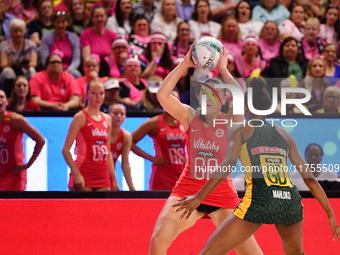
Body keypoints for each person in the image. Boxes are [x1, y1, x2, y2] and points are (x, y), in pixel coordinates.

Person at [172, 78, 340, 255]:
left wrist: (198, 198)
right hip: (288, 202)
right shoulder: (284, 134)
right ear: (268, 109)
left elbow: (226, 166)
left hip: (260, 200)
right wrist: (329, 213)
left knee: (208, 252)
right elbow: (310, 179)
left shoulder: (241, 130)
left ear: (245, 108)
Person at [149, 45, 263, 254]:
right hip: (188, 188)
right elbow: (163, 96)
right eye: (204, 94)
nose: (207, 98)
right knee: (157, 241)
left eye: (214, 95)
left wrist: (224, 69)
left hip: (222, 194)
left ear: (223, 102)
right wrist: (184, 64)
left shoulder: (230, 121)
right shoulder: (190, 116)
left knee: (254, 253)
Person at [62, 80, 120, 191]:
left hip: (102, 175)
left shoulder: (107, 119)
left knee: (103, 208)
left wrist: (114, 180)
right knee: (83, 208)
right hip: (84, 172)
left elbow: (108, 152)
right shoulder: (80, 117)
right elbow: (65, 150)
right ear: (87, 95)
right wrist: (76, 174)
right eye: (94, 93)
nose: (98, 97)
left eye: (101, 93)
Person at [132, 91, 186, 190]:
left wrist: (190, 158)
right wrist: (152, 159)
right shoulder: (155, 122)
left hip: (182, 173)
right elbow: (129, 142)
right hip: (163, 173)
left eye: (176, 101)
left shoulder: (184, 121)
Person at [0, 89, 45, 191]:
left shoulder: (15, 119)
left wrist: (28, 164)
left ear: (6, 101)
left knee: (10, 206)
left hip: (12, 175)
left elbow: (40, 140)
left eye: (2, 97)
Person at [0, 18, 37, 97]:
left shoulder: (31, 44)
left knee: (32, 70)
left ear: (24, 32)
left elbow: (33, 63)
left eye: (20, 31)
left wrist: (26, 65)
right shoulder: (4, 45)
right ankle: (9, 96)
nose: (18, 34)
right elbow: (3, 65)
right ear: (11, 32)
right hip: (11, 72)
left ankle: (32, 96)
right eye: (15, 31)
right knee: (7, 71)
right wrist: (9, 63)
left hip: (25, 70)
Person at [40, 11, 81, 78]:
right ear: (54, 23)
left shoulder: (74, 38)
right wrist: (55, 69)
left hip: (69, 70)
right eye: (58, 22)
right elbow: (45, 61)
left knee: (76, 74)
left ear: (67, 23)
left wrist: (68, 70)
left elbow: (76, 60)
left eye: (63, 22)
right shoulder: (46, 39)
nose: (60, 25)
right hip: (51, 69)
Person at [80, 6, 117, 77]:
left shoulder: (113, 35)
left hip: (109, 69)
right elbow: (86, 59)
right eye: (97, 16)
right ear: (92, 18)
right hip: (93, 69)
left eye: (102, 16)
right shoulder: (85, 34)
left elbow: (114, 58)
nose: (99, 19)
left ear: (106, 17)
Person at [109, 103, 135, 190]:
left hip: (109, 177)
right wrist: (115, 181)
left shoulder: (126, 136)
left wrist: (132, 189)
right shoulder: (102, 131)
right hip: (97, 173)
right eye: (115, 113)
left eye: (122, 114)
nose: (119, 116)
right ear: (108, 115)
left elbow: (125, 164)